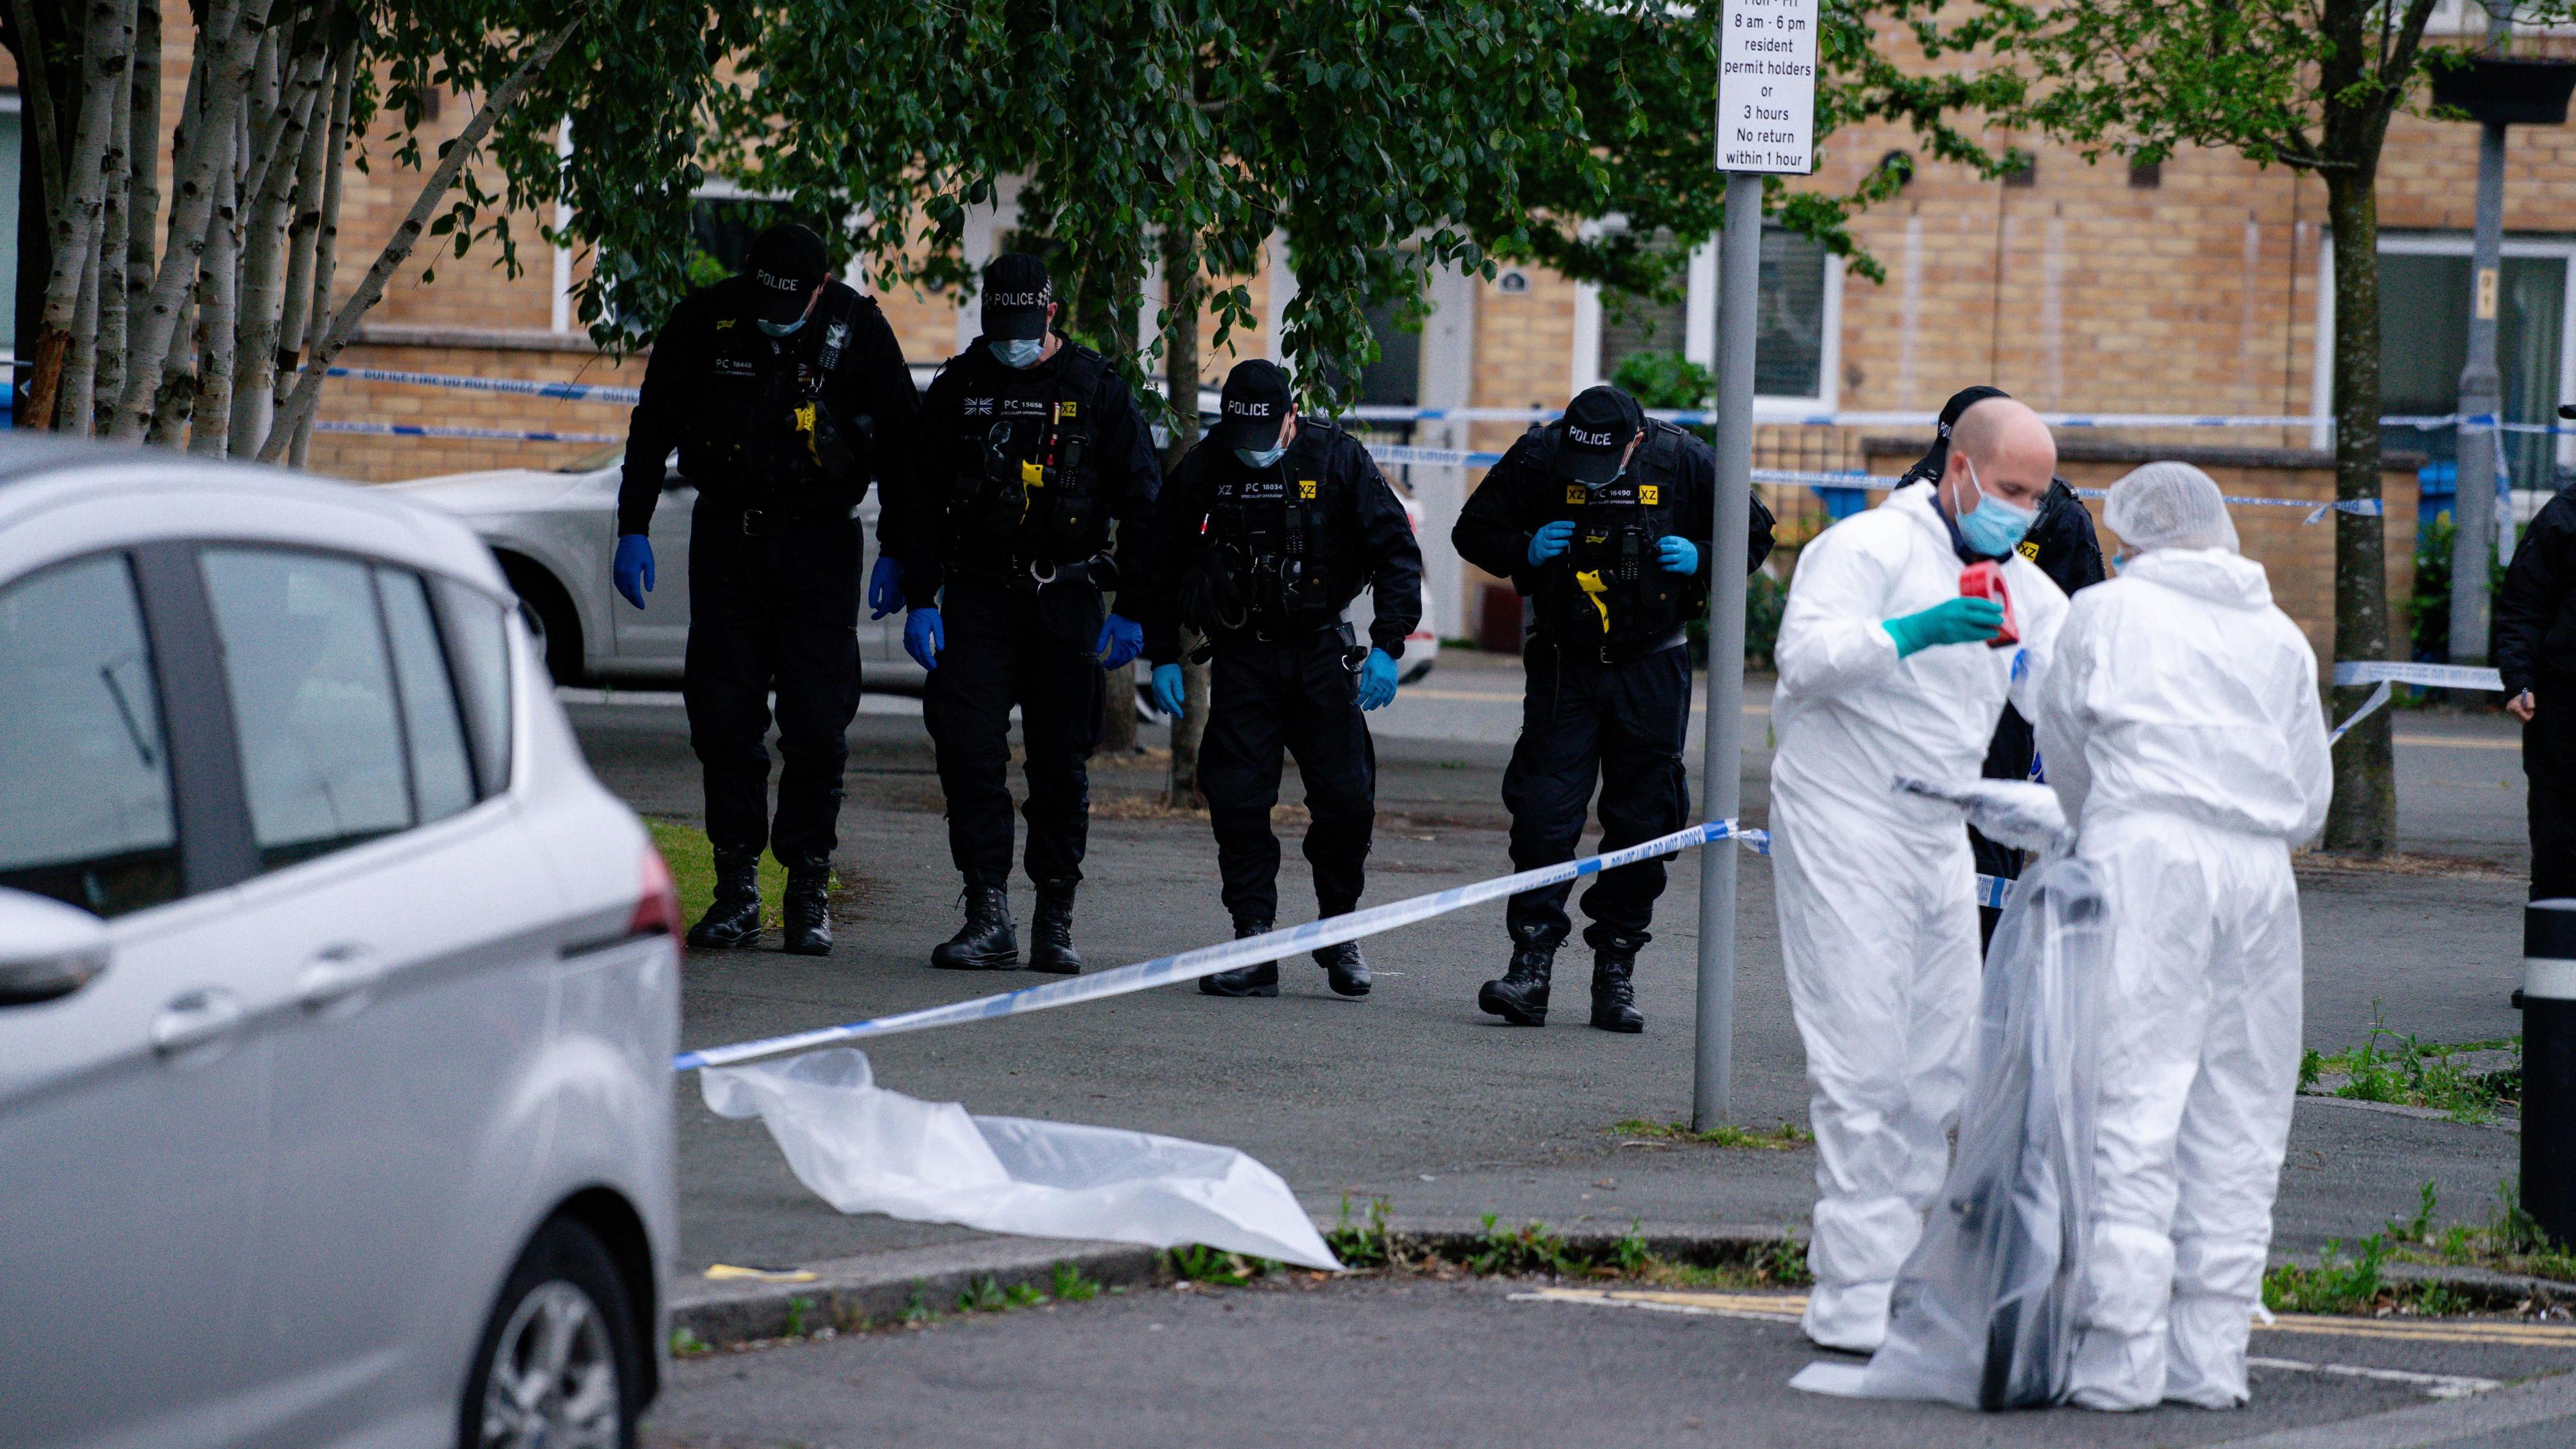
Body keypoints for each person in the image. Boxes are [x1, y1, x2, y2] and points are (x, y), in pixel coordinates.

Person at [1768, 393, 2071, 1352]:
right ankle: (1853, 1288)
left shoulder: (2013, 583)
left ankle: (1900, 1273)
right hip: (1843, 814)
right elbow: (1804, 656)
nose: (2024, 510)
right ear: (1961, 471)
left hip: (1938, 828)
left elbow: (2078, 676)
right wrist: (1914, 631)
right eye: (2011, 489)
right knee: (1861, 1054)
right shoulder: (1868, 549)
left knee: (1936, 1066)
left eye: (2039, 495)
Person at [2036, 462, 2330, 1410]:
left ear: (2131, 540)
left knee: (2132, 1097)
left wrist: (2101, 828)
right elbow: (2312, 798)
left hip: (2143, 854)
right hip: (2259, 874)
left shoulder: (2106, 618)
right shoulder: (2280, 636)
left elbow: (2067, 750)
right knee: (2242, 1107)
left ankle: (2121, 1358)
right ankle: (2211, 1358)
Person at [614, 221, 920, 955]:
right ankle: (736, 889)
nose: (773, 312)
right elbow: (653, 423)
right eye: (764, 297)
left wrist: (902, 552)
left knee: (818, 724)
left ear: (819, 290)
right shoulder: (708, 318)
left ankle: (808, 887)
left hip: (820, 542)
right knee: (724, 719)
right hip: (729, 538)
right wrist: (634, 525)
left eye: (791, 301)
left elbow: (908, 445)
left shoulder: (859, 329)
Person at [1451, 384, 1774, 1032]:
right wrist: (1525, 549)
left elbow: (1756, 535)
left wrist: (1704, 558)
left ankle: (1616, 968)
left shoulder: (1682, 460)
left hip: (1651, 661)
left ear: (1634, 442)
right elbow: (1473, 530)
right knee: (1545, 812)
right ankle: (1531, 965)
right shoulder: (1541, 454)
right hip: (1565, 662)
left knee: (1645, 819)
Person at [896, 252, 1161, 973]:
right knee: (968, 751)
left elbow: (1145, 504)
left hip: (1065, 598)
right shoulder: (962, 384)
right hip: (978, 596)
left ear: (1050, 314)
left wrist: (1135, 609)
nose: (1011, 340)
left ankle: (1054, 917)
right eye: (998, 325)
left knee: (1059, 765)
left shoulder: (1096, 388)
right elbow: (916, 495)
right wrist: (920, 595)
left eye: (1024, 325)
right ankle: (988, 912)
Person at [1142, 360, 1425, 998]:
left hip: (1323, 652)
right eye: (1242, 438)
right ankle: (1255, 937)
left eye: (1265, 436)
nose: (1253, 451)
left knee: (1347, 801)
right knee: (1238, 798)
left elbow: (1396, 552)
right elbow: (1160, 560)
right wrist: (1161, 653)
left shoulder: (1337, 459)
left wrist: (1387, 645)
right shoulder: (1209, 464)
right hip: (1244, 656)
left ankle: (1337, 930)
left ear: (1290, 418)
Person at [1896, 386, 2106, 948]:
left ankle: (1980, 990)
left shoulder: (2057, 517)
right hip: (1921, 702)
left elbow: (2081, 630)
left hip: (2005, 714)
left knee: (1987, 850)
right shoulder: (1917, 492)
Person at [2496, 485, 2576, 900]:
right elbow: (2524, 607)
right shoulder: (2563, 517)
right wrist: (2519, 681)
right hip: (2563, 701)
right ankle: (2556, 950)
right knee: (2559, 834)